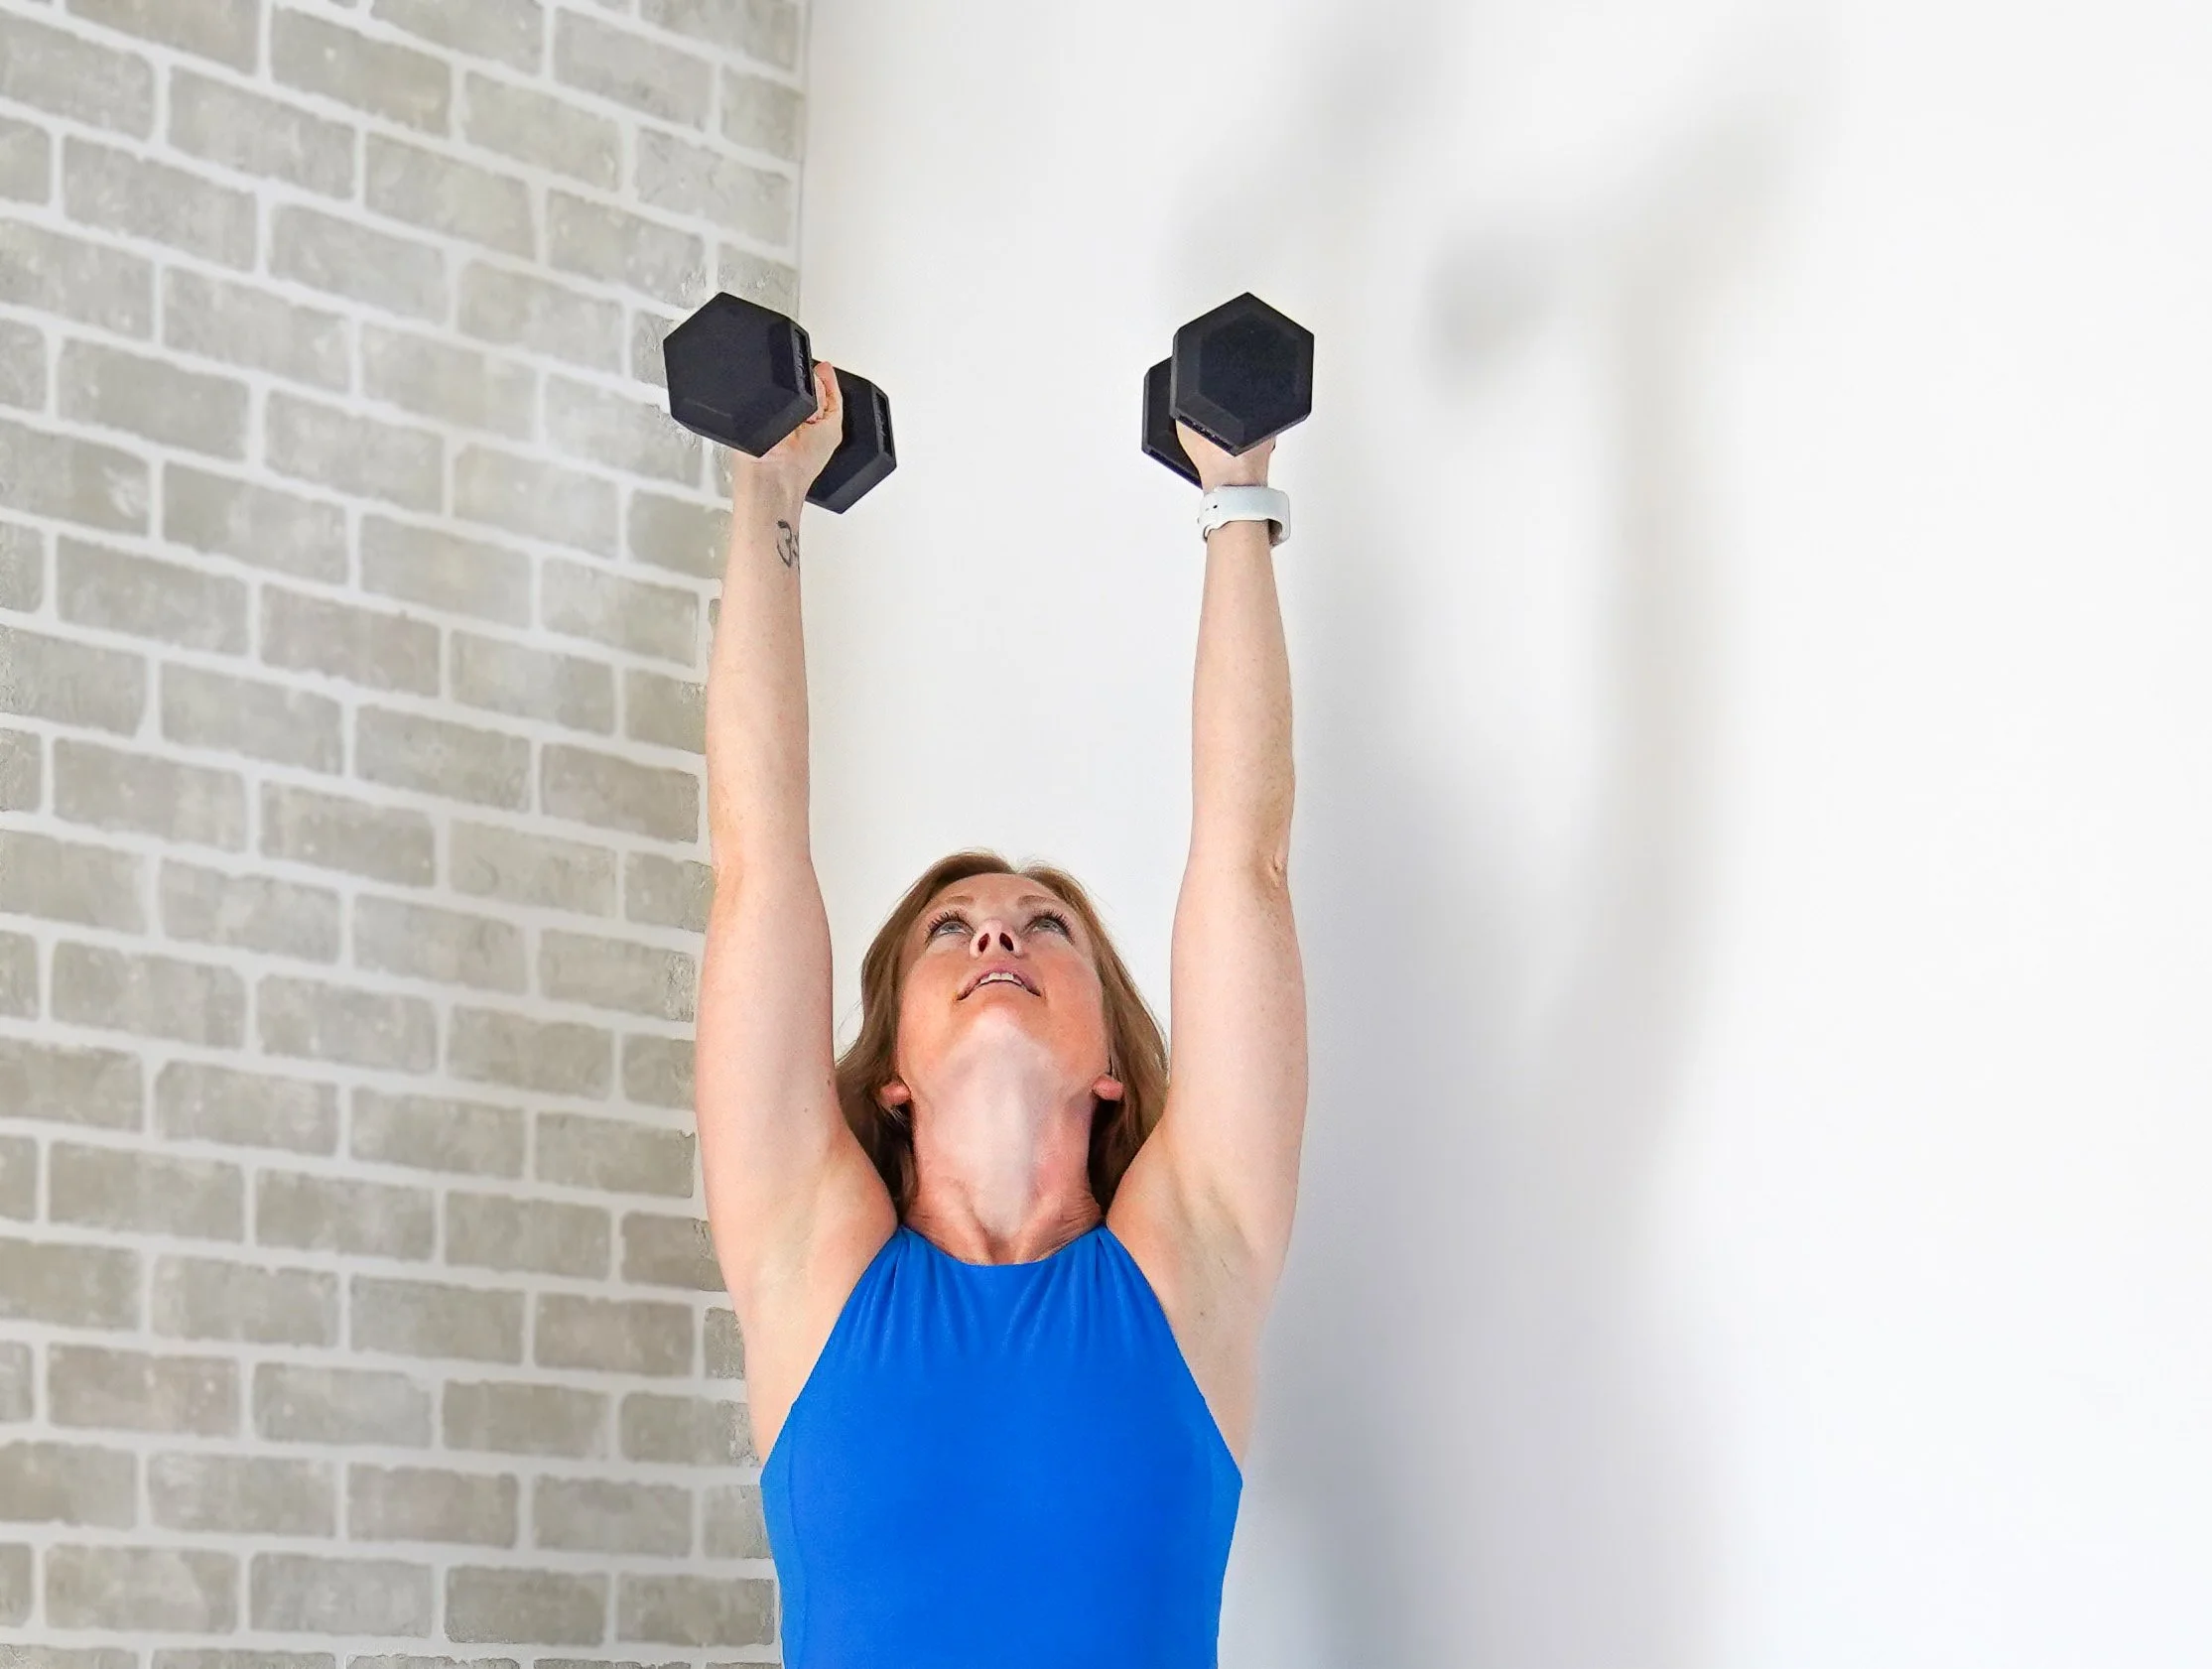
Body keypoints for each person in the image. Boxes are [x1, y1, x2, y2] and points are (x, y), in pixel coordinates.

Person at [694, 355, 1308, 1668]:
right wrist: (769, 489)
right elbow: (757, 858)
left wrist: (1237, 499)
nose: (995, 933)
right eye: (948, 928)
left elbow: (1243, 856)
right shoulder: (815, 1260)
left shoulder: (1187, 1257)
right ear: (893, 1070)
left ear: (1113, 1073)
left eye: (1045, 926)